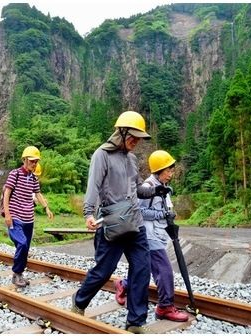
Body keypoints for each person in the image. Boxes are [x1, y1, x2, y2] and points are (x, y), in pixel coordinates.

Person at [71, 111, 170, 334]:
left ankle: (136, 321)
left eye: (139, 139)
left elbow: (137, 190)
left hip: (135, 224)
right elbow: (93, 187)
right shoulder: (102, 155)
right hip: (112, 223)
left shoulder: (132, 159)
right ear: (121, 132)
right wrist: (88, 213)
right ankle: (79, 302)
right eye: (132, 137)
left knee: (142, 270)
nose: (135, 142)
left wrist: (156, 190)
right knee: (103, 271)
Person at [114, 150, 189, 322]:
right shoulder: (148, 187)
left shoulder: (164, 188)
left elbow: (164, 209)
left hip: (159, 234)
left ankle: (123, 285)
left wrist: (169, 214)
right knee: (164, 271)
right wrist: (162, 214)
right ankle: (165, 306)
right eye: (168, 170)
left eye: (171, 170)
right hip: (148, 235)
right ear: (159, 170)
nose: (171, 174)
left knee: (144, 271)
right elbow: (139, 211)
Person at [3, 146, 53, 287]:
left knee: (25, 247)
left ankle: (19, 274)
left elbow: (38, 194)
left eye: (36, 161)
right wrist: (7, 214)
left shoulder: (33, 178)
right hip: (15, 217)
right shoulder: (15, 174)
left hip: (28, 218)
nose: (34, 164)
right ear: (24, 160)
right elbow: (7, 193)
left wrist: (46, 208)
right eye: (32, 161)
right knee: (22, 243)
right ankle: (16, 273)